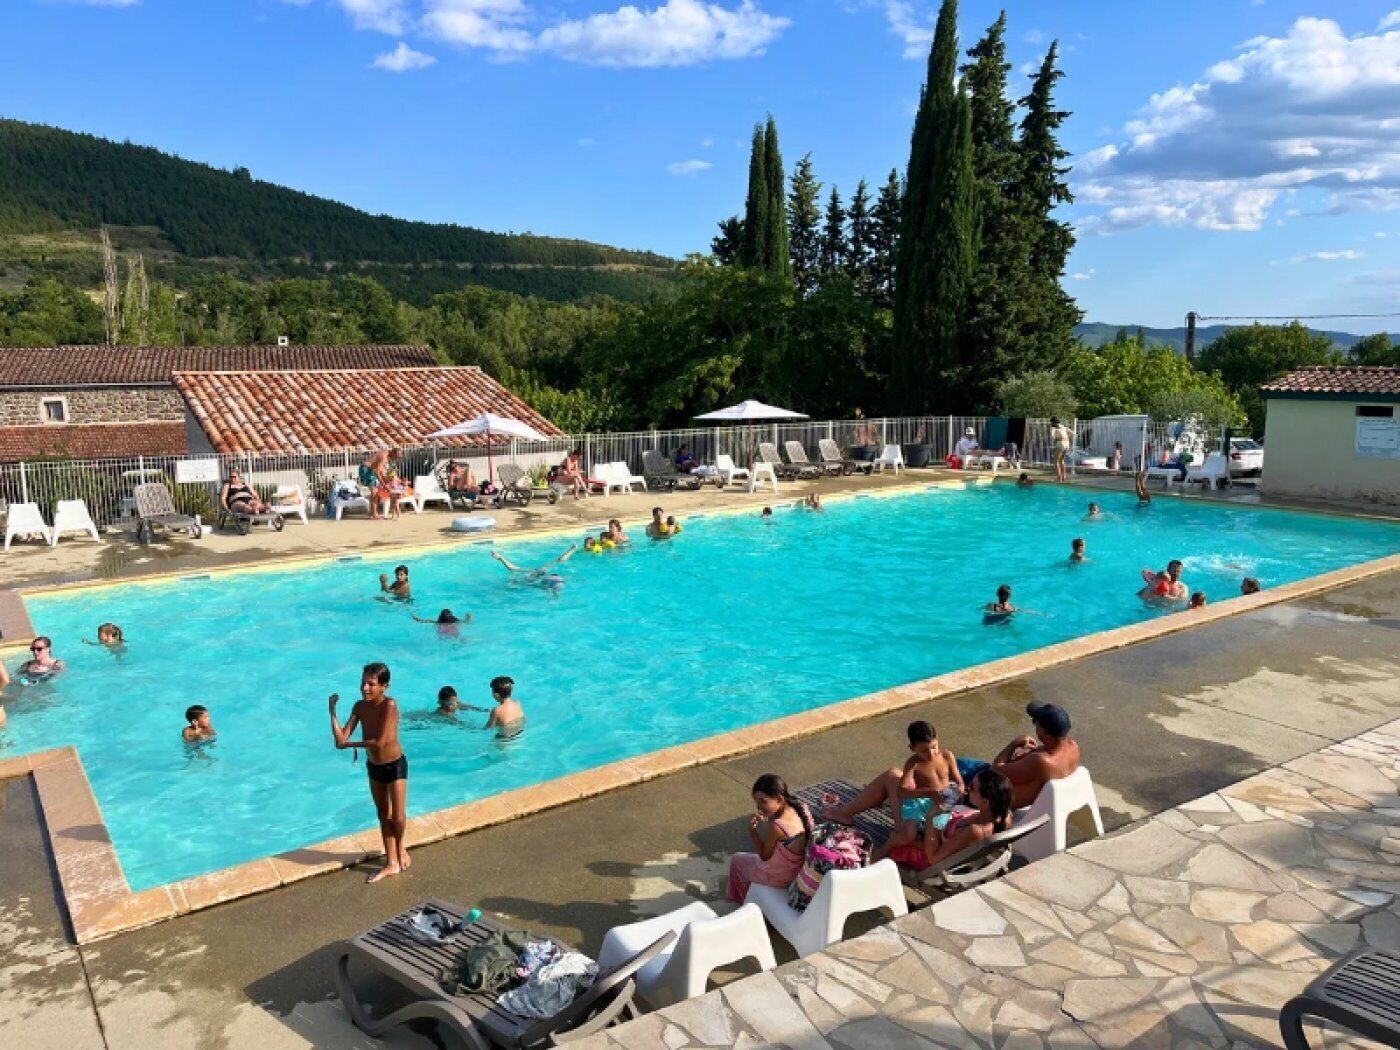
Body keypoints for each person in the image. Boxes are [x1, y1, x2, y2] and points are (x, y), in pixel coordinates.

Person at [823, 721, 963, 860]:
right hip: (922, 804)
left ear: (937, 740)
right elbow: (902, 791)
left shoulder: (946, 756)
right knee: (908, 826)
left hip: (939, 806)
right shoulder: (914, 763)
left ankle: (852, 815)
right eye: (924, 750)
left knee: (891, 775)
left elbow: (958, 780)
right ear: (912, 748)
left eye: (934, 747)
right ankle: (873, 807)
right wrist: (929, 792)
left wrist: (959, 788)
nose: (931, 754)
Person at [329, 662, 409, 883]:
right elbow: (340, 739)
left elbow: (381, 742)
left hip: (395, 765)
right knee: (383, 814)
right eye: (363, 683)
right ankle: (391, 862)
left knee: (398, 817)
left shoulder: (389, 705)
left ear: (384, 686)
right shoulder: (359, 707)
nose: (365, 688)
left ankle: (401, 848)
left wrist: (350, 744)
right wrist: (332, 711)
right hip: (374, 767)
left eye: (371, 684)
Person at [888, 768, 1016, 872]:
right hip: (934, 830)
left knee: (892, 777)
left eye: (972, 787)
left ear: (985, 801)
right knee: (898, 777)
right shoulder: (1002, 816)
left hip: (922, 853)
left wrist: (931, 817)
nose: (967, 788)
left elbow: (933, 858)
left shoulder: (975, 831)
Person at [971, 702, 1081, 809]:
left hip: (995, 802)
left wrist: (1014, 744)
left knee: (961, 766)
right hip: (1045, 803)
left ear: (1043, 731)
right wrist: (1027, 755)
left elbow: (995, 770)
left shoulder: (1040, 761)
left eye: (1036, 723)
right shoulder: (1073, 747)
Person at [726, 774, 813, 904]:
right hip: (798, 870)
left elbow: (764, 856)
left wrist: (753, 831)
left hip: (782, 877)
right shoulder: (801, 808)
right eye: (756, 801)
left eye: (763, 801)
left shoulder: (778, 826)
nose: (758, 806)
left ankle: (742, 903)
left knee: (736, 860)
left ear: (779, 799)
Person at [490, 545, 576, 591]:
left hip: (544, 580)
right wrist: (571, 550)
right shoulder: (539, 573)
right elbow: (559, 560)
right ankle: (554, 594)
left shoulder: (533, 575)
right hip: (549, 580)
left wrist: (501, 558)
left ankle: (554, 594)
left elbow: (513, 568)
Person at [1049, 417, 1073, 483]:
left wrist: (1056, 437)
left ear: (1053, 422)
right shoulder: (1063, 427)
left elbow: (1052, 437)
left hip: (1060, 443)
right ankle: (1064, 476)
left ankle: (1059, 477)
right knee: (1061, 460)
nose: (1050, 423)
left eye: (1051, 422)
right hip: (1067, 444)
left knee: (1055, 461)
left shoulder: (1053, 428)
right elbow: (1073, 433)